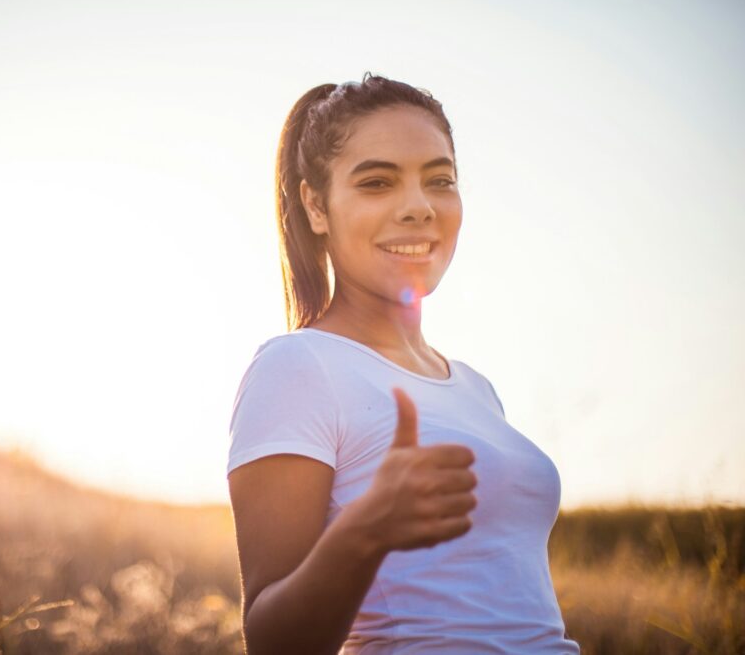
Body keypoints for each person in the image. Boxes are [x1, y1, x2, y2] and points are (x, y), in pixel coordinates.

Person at [226, 74, 580, 654]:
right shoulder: (297, 366)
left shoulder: (476, 388)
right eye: (376, 182)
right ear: (316, 205)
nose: (418, 207)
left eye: (439, 180)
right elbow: (272, 643)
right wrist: (367, 530)